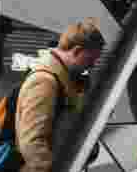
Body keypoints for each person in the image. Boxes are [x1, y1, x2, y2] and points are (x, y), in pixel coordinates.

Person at [16, 18, 106, 172]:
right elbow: (32, 142)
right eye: (90, 60)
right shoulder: (45, 81)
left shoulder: (62, 78)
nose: (91, 66)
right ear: (76, 51)